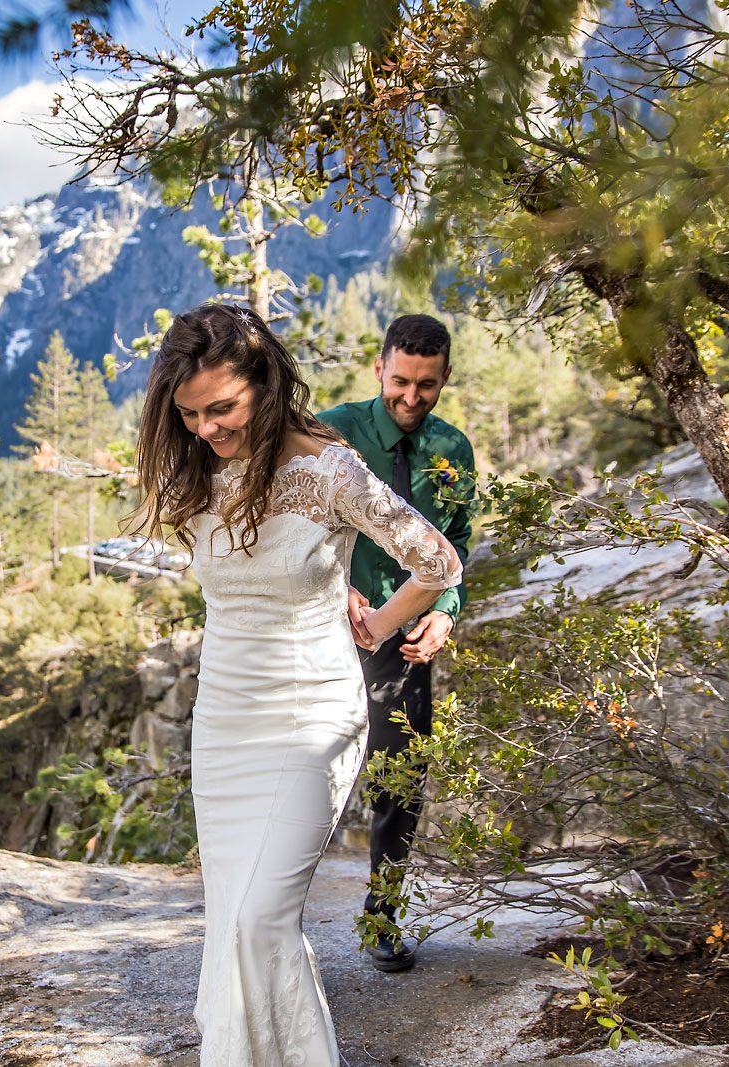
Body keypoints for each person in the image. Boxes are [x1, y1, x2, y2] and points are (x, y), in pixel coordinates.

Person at [131, 303, 462, 1066]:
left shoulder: (328, 469)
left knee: (261, 921)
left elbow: (437, 561)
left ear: (265, 385)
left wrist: (377, 623)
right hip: (223, 723)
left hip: (310, 717)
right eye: (189, 414)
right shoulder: (196, 466)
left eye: (222, 408)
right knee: (231, 924)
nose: (207, 428)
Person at [317, 313, 475, 973]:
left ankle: (381, 918)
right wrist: (336, 586)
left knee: (401, 779)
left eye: (427, 386)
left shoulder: (452, 449)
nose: (412, 398)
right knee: (306, 775)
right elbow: (292, 520)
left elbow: (459, 539)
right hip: (326, 630)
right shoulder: (333, 428)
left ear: (443, 380)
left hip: (403, 640)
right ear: (379, 368)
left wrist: (446, 609)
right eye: (401, 382)